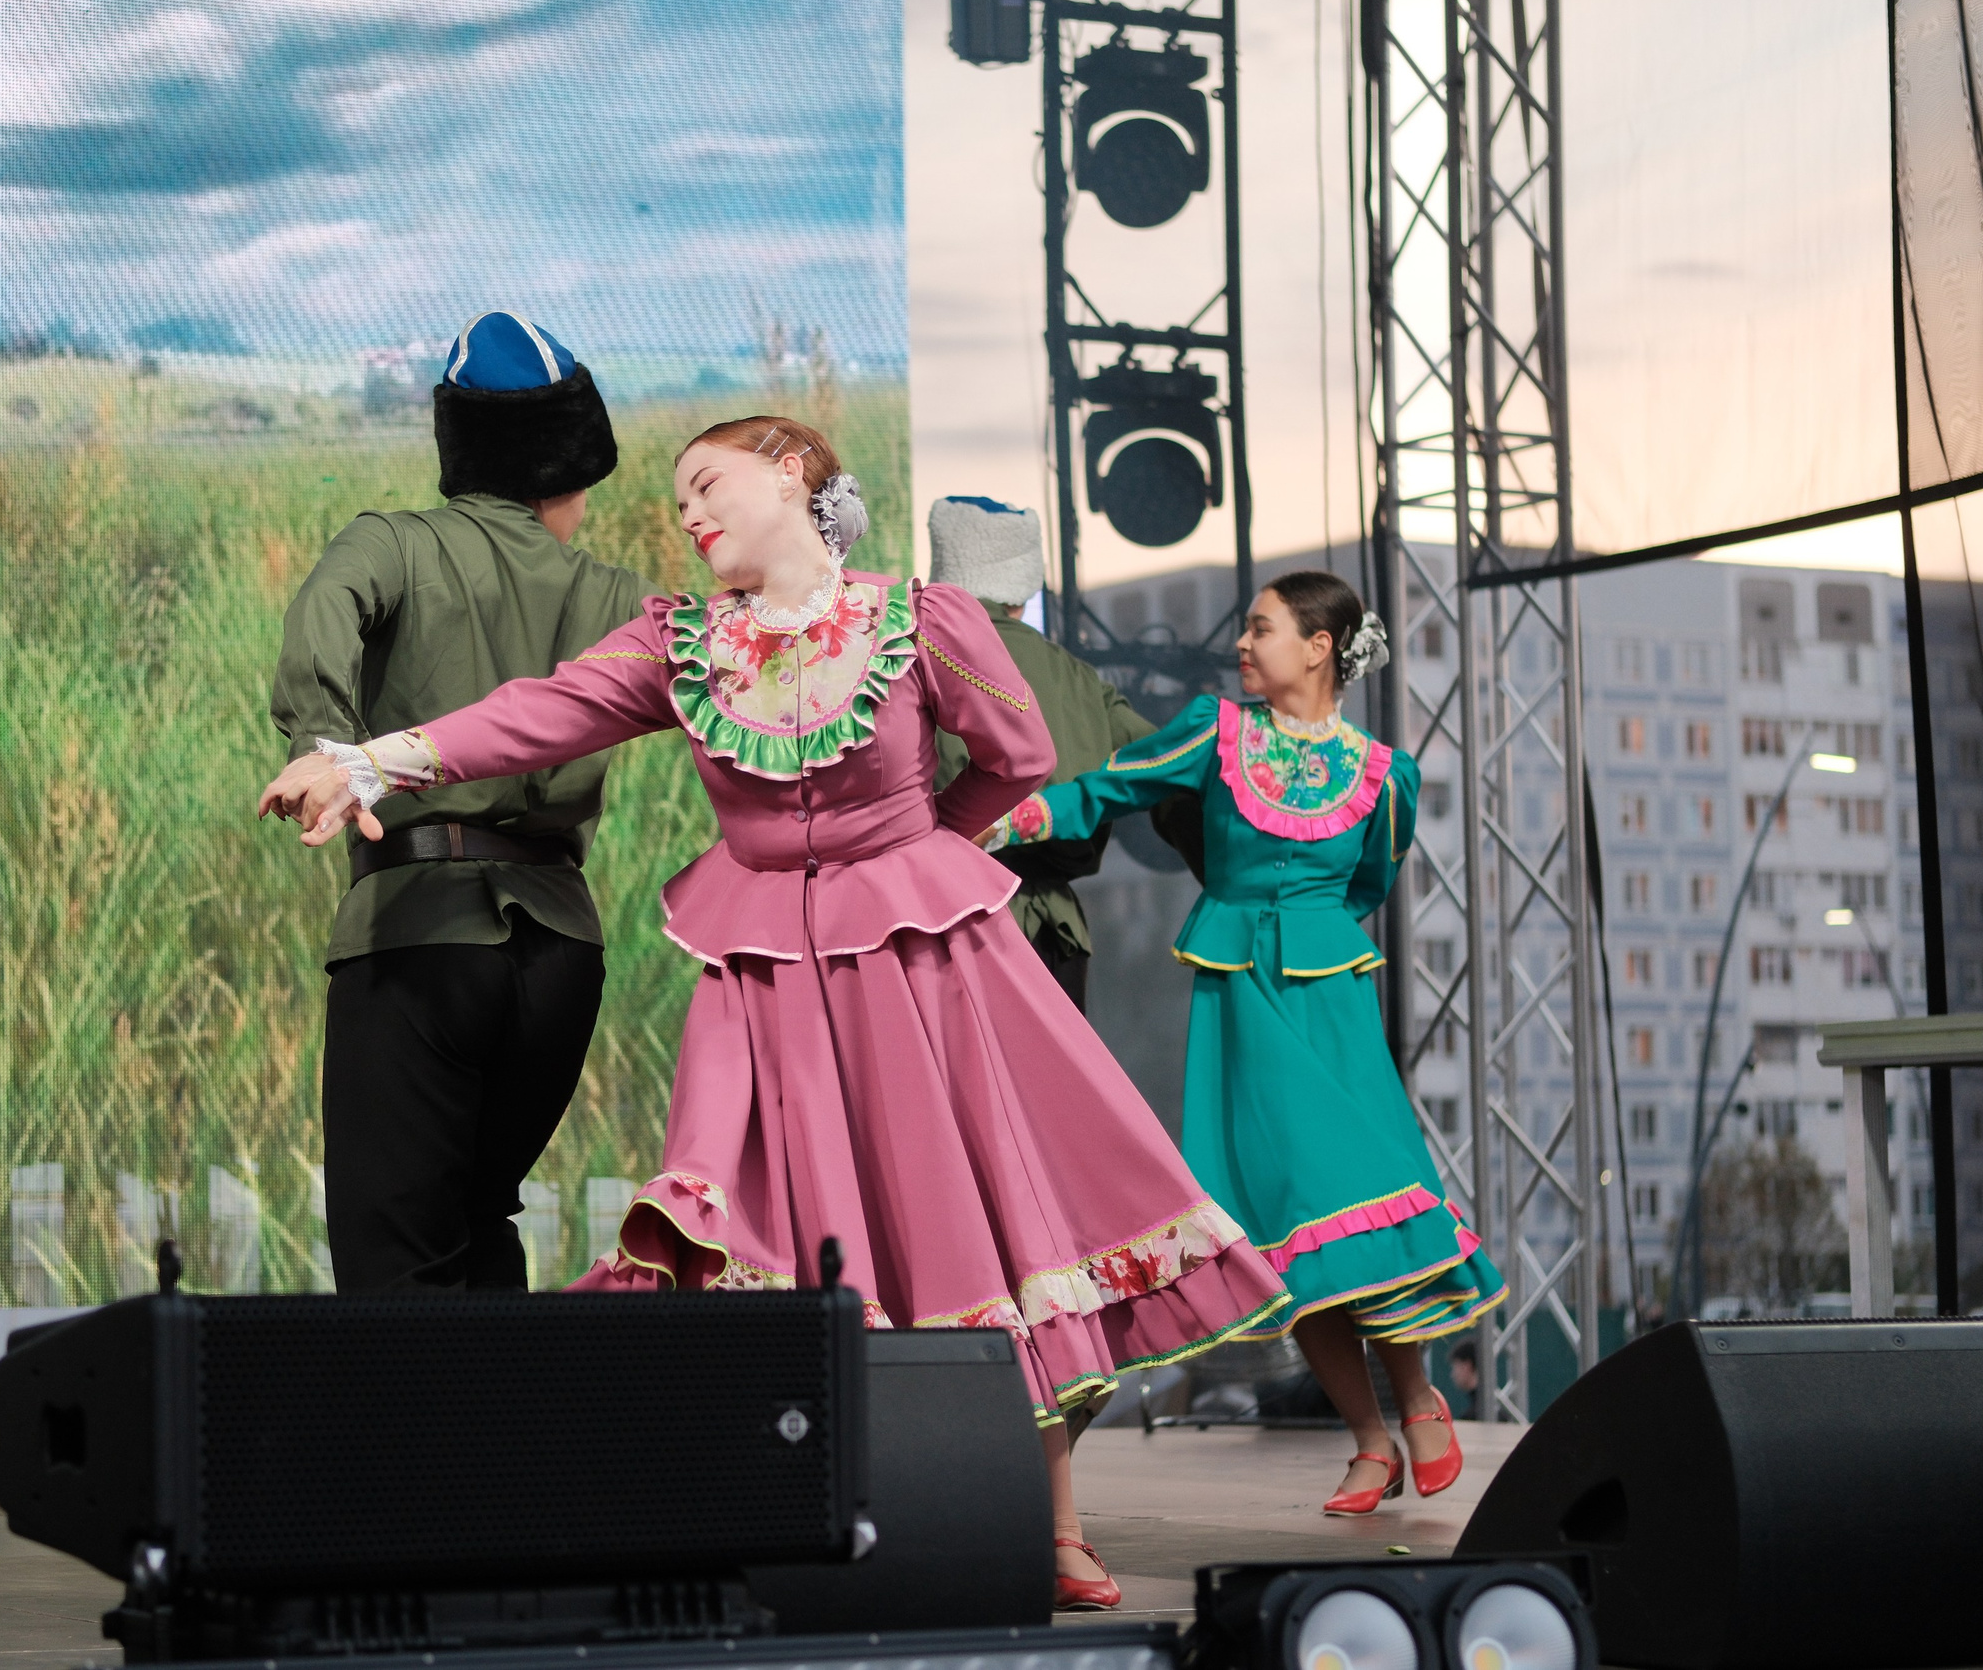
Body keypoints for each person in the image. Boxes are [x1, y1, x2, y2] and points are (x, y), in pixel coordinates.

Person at [262, 414, 1296, 1611]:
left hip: (926, 970)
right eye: (678, 499)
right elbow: (538, 712)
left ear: (796, 475)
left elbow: (1012, 758)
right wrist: (374, 762)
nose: (688, 513)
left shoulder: (920, 621)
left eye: (707, 484)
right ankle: (788, 1517)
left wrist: (911, 858)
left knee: (976, 1219)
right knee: (750, 1229)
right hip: (764, 983)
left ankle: (1051, 1523)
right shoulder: (683, 643)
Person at [1000, 569, 1505, 1517]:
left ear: (1319, 646)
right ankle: (1368, 1440)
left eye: (1263, 628)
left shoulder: (1387, 775)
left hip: (1329, 1006)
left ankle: (1416, 1395)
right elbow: (1108, 790)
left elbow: (1368, 881)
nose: (1244, 642)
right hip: (1239, 1005)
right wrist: (1008, 821)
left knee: (1367, 1200)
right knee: (1282, 1232)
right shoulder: (1213, 731)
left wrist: (1297, 928)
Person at [269, 311, 652, 1293]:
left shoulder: (391, 544)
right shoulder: (615, 591)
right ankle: (502, 1446)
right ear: (572, 470)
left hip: (418, 932)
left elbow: (324, 617)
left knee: (395, 1244)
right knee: (487, 1221)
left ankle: (418, 1451)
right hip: (563, 952)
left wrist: (330, 748)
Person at [925, 496, 1159, 1011]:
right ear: (1025, 581)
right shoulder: (1078, 677)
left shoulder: (915, 656)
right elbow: (1166, 761)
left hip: (944, 925)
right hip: (1057, 934)